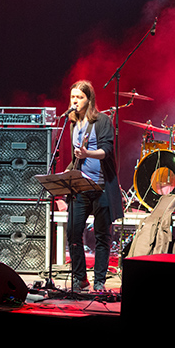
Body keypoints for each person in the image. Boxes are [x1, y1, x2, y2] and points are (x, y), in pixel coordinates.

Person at [65, 80, 124, 292]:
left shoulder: (102, 121)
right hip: (80, 187)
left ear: (89, 100)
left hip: (101, 187)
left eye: (79, 97)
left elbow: (107, 150)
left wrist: (87, 153)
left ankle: (99, 281)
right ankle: (80, 278)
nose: (75, 101)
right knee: (73, 232)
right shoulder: (72, 125)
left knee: (102, 236)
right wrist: (68, 170)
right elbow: (77, 157)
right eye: (72, 97)